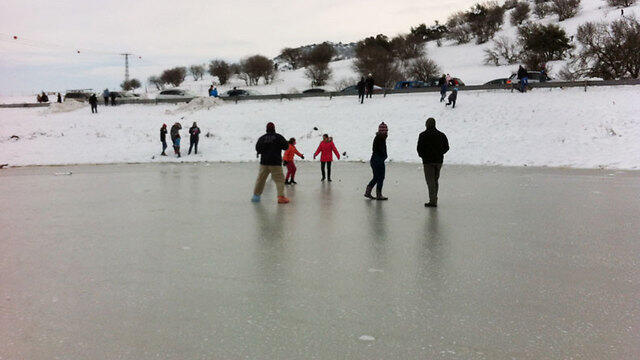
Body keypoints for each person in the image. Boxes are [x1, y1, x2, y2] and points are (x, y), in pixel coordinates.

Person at [252, 122, 290, 204]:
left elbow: (257, 148)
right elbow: (286, 147)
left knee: (261, 179)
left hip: (264, 163)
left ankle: (256, 196)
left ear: (266, 129)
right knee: (279, 180)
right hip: (275, 162)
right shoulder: (278, 137)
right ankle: (281, 197)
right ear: (274, 128)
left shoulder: (262, 138)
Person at [417, 118, 449, 207]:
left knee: (430, 181)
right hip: (438, 161)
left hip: (428, 162)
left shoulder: (423, 135)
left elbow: (419, 148)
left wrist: (423, 156)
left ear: (426, 124)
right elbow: (447, 147)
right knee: (435, 180)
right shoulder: (441, 135)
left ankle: (433, 200)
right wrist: (440, 153)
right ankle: (434, 198)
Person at [364, 122, 389, 200]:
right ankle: (378, 194)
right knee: (380, 177)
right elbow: (379, 150)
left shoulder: (380, 137)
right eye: (386, 131)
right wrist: (384, 156)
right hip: (378, 161)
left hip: (376, 160)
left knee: (377, 177)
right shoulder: (380, 138)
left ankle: (369, 192)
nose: (387, 132)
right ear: (382, 131)